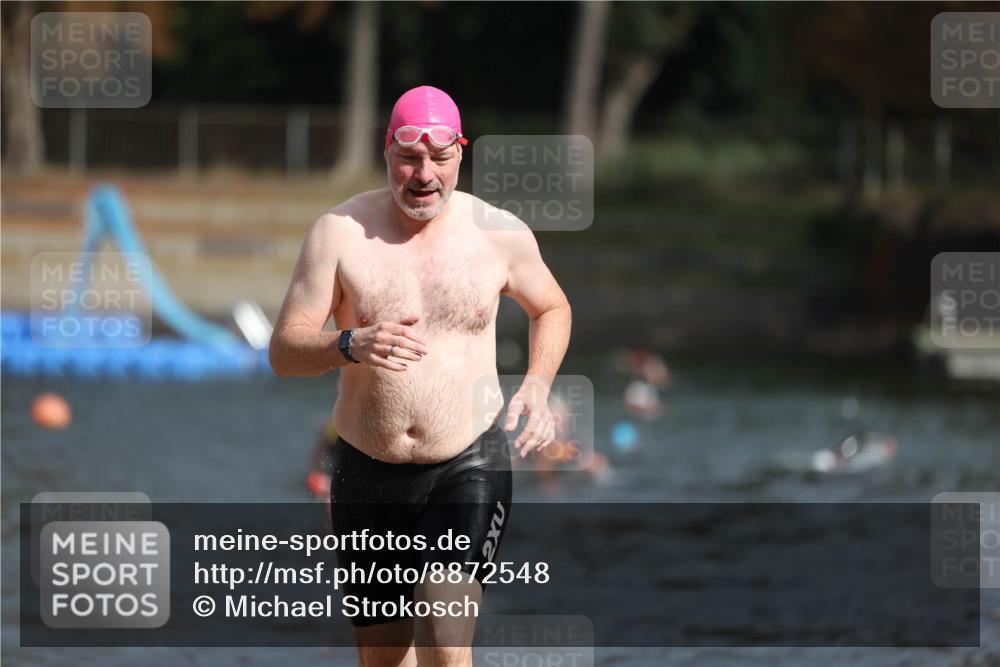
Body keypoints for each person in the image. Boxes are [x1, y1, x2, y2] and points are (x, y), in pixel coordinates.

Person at [269, 85, 572, 667]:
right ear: (388, 153)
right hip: (365, 469)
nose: (423, 174)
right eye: (409, 157)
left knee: (443, 634)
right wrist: (350, 343)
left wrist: (537, 382)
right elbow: (285, 351)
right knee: (384, 661)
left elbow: (552, 307)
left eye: (439, 158)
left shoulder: (499, 233)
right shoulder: (339, 232)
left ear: (461, 154)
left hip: (467, 463)